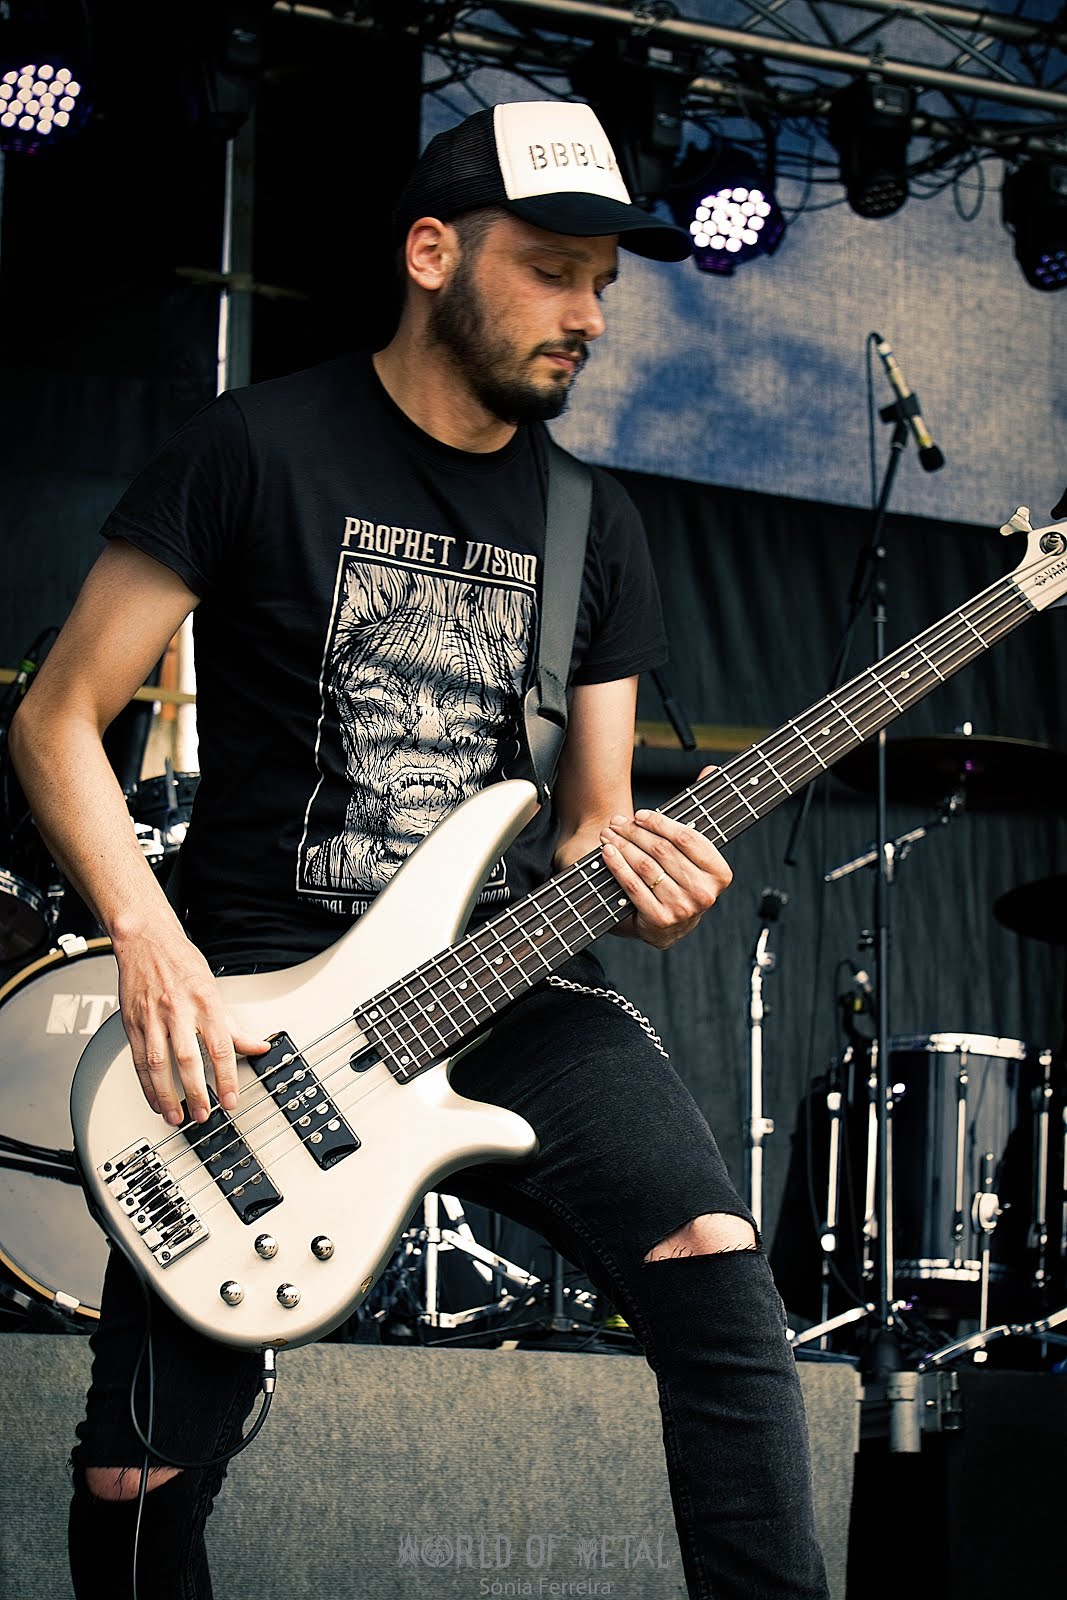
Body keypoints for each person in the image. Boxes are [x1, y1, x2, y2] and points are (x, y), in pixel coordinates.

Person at [9, 98, 830, 1600]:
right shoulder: (250, 448)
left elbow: (587, 830)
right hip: (258, 1003)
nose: (589, 317)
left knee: (716, 1266)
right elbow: (57, 721)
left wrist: (650, 890)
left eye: (604, 284)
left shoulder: (592, 523)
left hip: (501, 985)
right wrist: (152, 939)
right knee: (136, 1482)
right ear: (433, 252)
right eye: (553, 273)